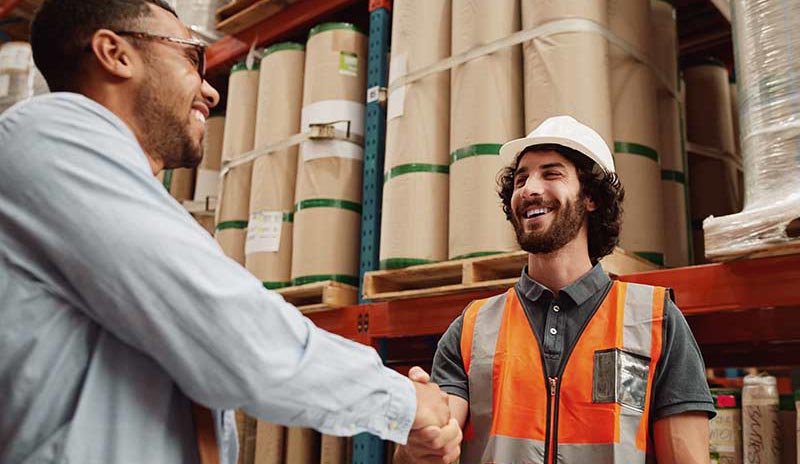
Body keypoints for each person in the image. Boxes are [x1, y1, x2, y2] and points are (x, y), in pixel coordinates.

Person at [0, 1, 457, 463]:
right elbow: (231, 331)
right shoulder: (48, 140)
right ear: (114, 54)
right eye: (190, 58)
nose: (210, 92)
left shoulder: (127, 199)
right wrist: (402, 401)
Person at [395, 116, 716, 464]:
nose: (530, 188)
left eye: (551, 174)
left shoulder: (654, 321)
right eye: (521, 179)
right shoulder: (473, 327)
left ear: (590, 197)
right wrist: (420, 437)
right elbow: (437, 441)